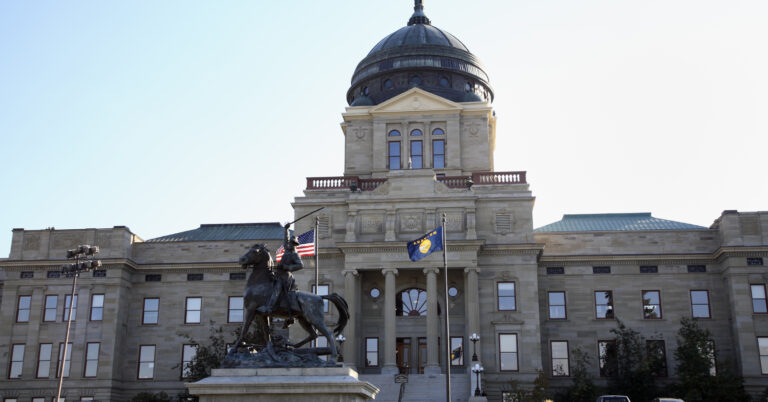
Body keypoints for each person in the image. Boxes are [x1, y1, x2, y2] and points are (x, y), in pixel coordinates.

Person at [258, 223, 303, 315]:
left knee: (276, 289)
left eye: (292, 243)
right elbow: (285, 240)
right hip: (279, 274)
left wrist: (287, 267)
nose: (289, 244)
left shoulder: (295, 255)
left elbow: (300, 265)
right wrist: (286, 229)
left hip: (286, 277)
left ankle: (269, 308)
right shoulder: (287, 250)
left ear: (295, 245)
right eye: (290, 242)